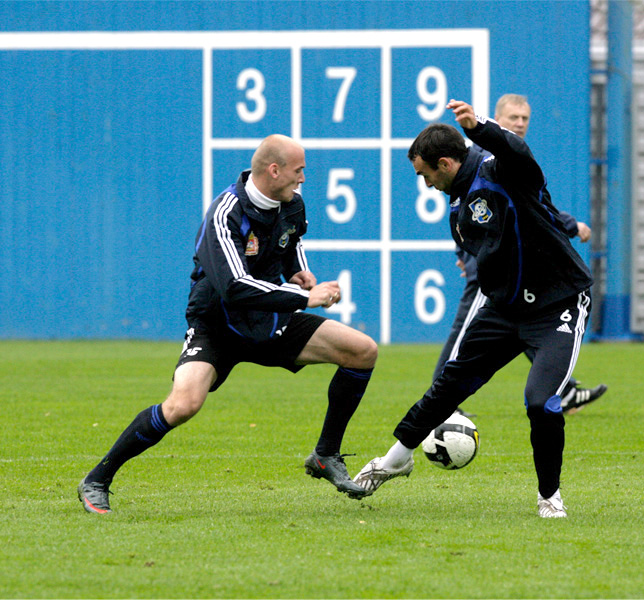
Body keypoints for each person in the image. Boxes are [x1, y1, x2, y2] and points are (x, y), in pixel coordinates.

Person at [77, 134, 377, 513]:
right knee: (183, 405)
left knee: (362, 351)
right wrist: (306, 298)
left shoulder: (292, 203)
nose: (303, 178)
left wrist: (298, 271)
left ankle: (325, 455)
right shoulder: (225, 213)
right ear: (274, 170)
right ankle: (97, 479)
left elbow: (291, 241)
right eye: (299, 170)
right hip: (217, 326)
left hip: (269, 320)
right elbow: (235, 287)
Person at [353, 100, 595, 518]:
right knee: (449, 384)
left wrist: (479, 126)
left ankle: (549, 496)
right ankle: (395, 460)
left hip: (558, 304)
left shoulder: (500, 171)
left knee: (541, 402)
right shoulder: (459, 200)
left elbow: (518, 151)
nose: (425, 183)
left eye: (425, 174)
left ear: (445, 164)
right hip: (505, 309)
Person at [435, 94, 606, 417]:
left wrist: (568, 225)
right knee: (467, 330)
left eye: (525, 119)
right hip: (491, 264)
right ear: (497, 119)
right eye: (513, 118)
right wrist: (464, 253)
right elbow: (463, 208)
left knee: (522, 327)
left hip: (509, 266)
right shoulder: (484, 158)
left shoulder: (508, 156)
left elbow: (534, 207)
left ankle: (565, 390)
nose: (520, 123)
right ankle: (442, 405)